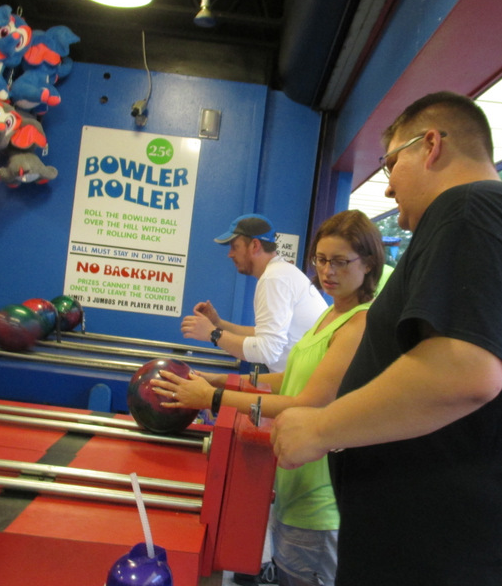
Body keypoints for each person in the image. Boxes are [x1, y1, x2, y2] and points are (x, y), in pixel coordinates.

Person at [270, 91, 502, 585]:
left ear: (431, 145)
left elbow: (464, 371)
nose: (388, 188)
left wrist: (321, 428)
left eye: (391, 163)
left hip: (451, 558)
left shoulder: (470, 207)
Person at [154, 210, 384, 586]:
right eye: (321, 259)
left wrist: (214, 398)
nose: (327, 271)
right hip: (293, 482)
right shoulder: (331, 314)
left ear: (369, 263)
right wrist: (222, 380)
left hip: (319, 500)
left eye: (340, 261)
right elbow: (288, 378)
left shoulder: (358, 324)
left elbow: (307, 402)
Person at [181, 213, 327, 373]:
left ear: (255, 246)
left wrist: (212, 333)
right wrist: (218, 323)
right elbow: (264, 335)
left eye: (235, 247)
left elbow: (267, 351)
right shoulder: (281, 273)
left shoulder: (274, 278)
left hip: (306, 381)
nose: (230, 254)